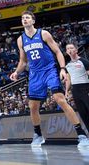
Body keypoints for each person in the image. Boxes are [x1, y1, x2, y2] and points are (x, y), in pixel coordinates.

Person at [10, 11, 88, 147]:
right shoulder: (20, 40)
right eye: (22, 18)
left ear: (33, 21)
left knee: (60, 99)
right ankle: (38, 135)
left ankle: (81, 134)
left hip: (49, 70)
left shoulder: (43, 34)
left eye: (27, 17)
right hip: (35, 74)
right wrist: (16, 72)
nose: (25, 20)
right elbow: (23, 61)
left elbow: (58, 52)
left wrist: (63, 69)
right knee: (33, 106)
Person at [65, 43, 89, 133]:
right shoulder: (67, 65)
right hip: (75, 90)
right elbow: (68, 79)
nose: (69, 50)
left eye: (71, 48)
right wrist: (67, 91)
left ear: (76, 50)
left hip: (85, 87)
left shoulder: (84, 61)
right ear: (67, 52)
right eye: (68, 49)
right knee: (83, 113)